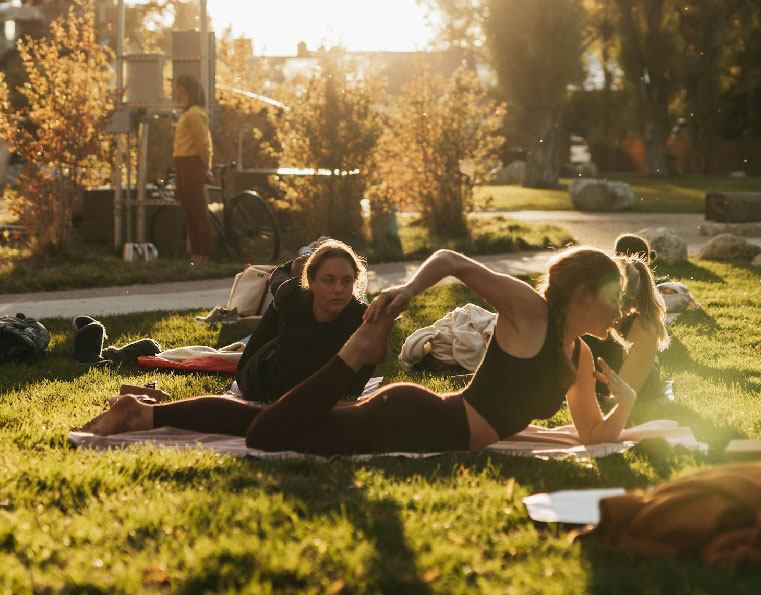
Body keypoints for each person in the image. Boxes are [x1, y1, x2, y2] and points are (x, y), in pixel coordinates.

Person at [81, 247, 639, 455]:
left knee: (277, 422)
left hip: (422, 422)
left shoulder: (580, 357)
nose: (620, 312)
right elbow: (450, 260)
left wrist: (627, 405)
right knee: (270, 434)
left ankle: (145, 412)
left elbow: (592, 437)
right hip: (419, 420)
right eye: (614, 299)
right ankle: (142, 412)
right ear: (584, 293)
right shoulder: (531, 311)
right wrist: (406, 293)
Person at [236, 239, 374, 402]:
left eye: (347, 281)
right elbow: (277, 280)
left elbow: (356, 386)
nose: (338, 290)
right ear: (311, 281)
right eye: (329, 280)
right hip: (263, 377)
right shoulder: (292, 296)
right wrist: (291, 267)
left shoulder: (362, 317)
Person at [585, 234, 670, 401]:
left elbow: (620, 398)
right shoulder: (587, 313)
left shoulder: (643, 330)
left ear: (631, 305)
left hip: (638, 385)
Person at [172, 74, 213, 264]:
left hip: (191, 164)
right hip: (182, 163)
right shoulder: (187, 113)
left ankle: (202, 255)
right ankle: (195, 255)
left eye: (177, 87)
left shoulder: (196, 113)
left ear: (183, 89)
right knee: (189, 210)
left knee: (197, 212)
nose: (174, 91)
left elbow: (203, 142)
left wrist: (206, 167)